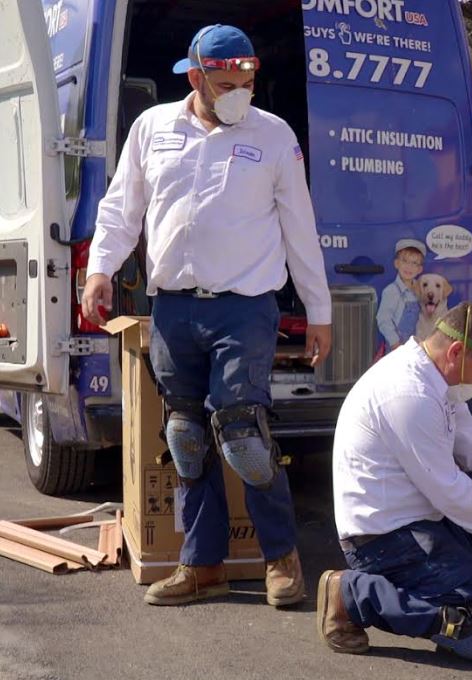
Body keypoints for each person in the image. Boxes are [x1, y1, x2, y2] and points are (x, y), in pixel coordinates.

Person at [81, 24, 332, 607]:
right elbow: (122, 207)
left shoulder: (273, 136)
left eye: (247, 80)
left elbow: (300, 226)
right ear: (195, 77)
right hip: (172, 309)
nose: (239, 91)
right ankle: (202, 564)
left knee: (243, 433)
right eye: (225, 82)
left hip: (244, 310)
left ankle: (281, 558)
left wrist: (318, 310)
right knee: (186, 436)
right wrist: (99, 269)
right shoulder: (153, 128)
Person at [318, 302, 472, 662]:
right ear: (456, 351)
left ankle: (452, 583)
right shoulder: (409, 395)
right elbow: (450, 493)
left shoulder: (434, 380)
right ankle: (351, 594)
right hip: (383, 540)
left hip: (417, 519)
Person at [376, 238, 425, 353]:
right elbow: (383, 319)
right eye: (405, 261)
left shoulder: (419, 291)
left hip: (415, 347)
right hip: (397, 349)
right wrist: (395, 343)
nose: (409, 267)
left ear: (419, 269)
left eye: (414, 263)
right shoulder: (391, 291)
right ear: (396, 263)